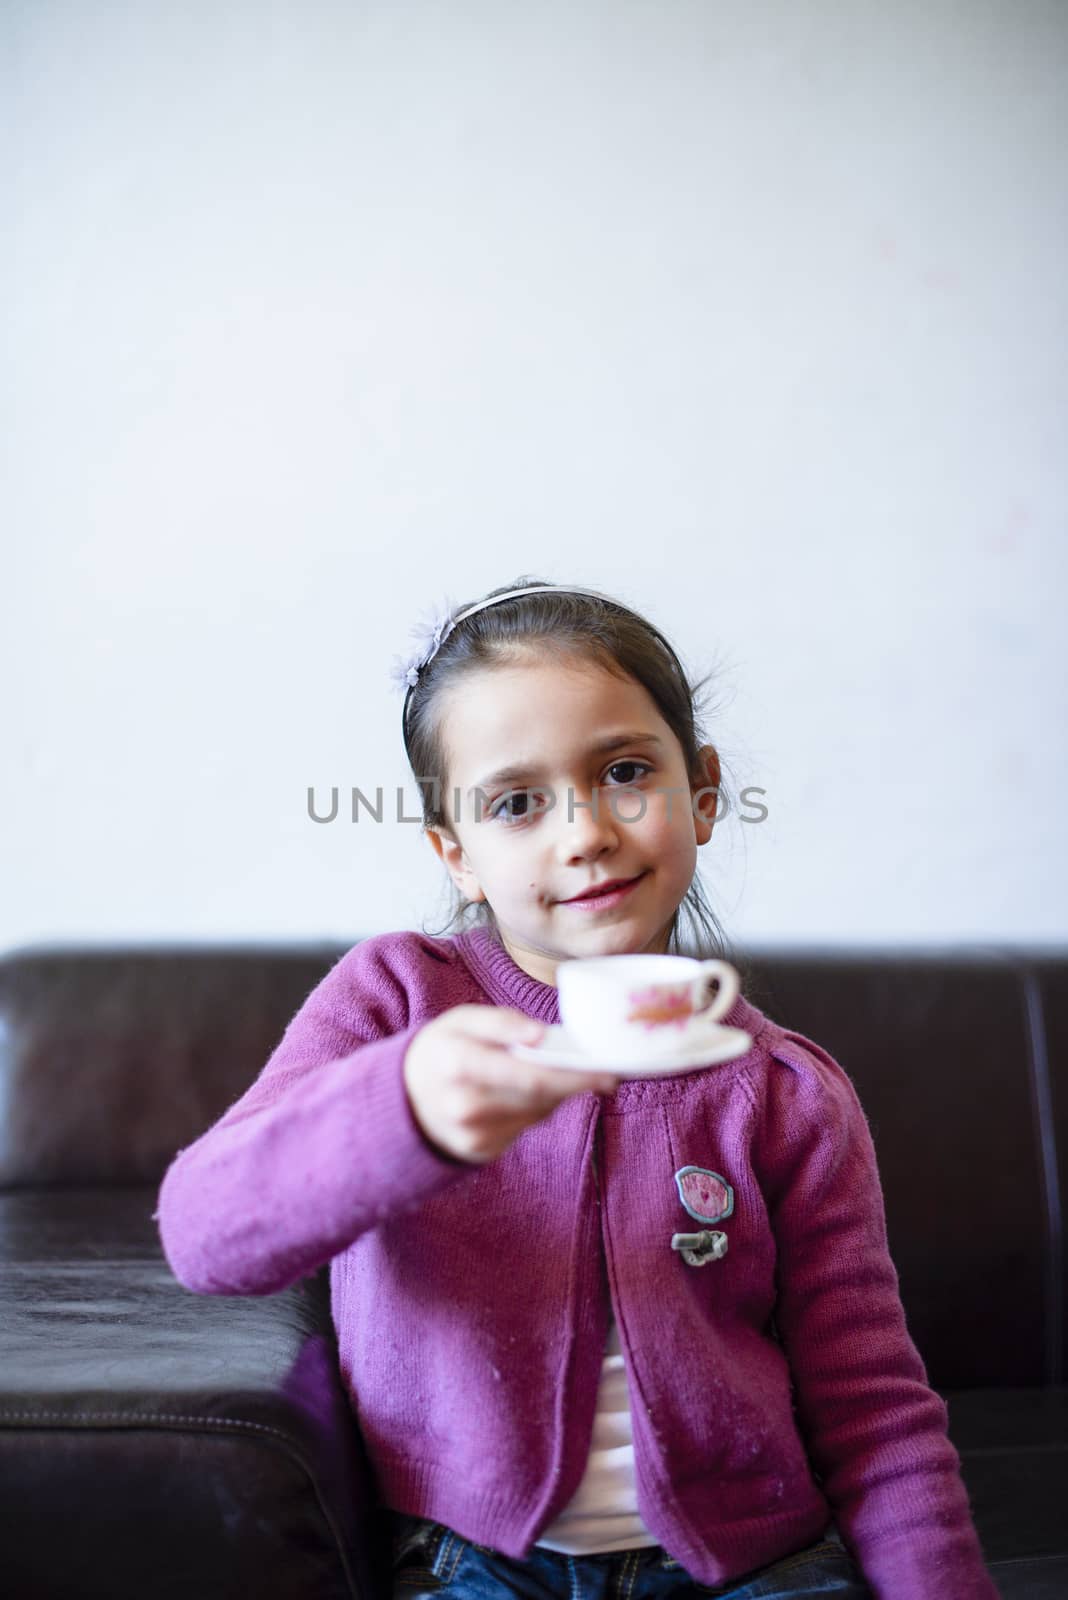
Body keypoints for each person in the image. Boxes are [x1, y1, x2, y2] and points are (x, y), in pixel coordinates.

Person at [154, 577, 998, 1599]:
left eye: (627, 771)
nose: (586, 832)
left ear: (704, 792)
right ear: (456, 854)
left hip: (755, 1561)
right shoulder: (395, 1004)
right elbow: (205, 1235)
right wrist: (405, 1110)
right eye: (517, 803)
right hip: (471, 1562)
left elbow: (874, 1409)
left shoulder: (781, 1090)